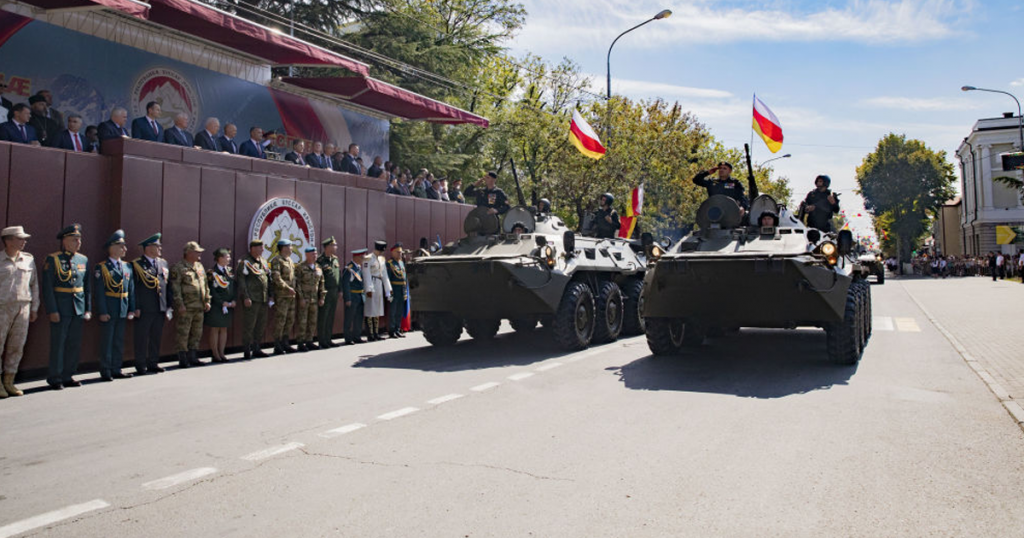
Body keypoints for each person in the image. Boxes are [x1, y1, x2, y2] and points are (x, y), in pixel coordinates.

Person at [41, 224, 91, 390]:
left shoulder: (83, 259)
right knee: (58, 344)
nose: (78, 242)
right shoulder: (53, 259)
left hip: (78, 307)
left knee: (74, 343)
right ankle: (55, 377)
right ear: (64, 241)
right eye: (73, 239)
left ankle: (68, 375)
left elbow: (87, 287)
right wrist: (52, 310)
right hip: (61, 308)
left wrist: (87, 309)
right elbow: (47, 288)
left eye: (79, 239)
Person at [0, 226, 39, 398]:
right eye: (20, 238)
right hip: (2, 307)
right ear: (8, 240)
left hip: (23, 307)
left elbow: (34, 285)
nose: (24, 241)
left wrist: (34, 307)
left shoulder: (28, 260)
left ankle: (9, 381)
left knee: (16, 346)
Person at [94, 230, 135, 381]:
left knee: (118, 340)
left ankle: (117, 368)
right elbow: (99, 292)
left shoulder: (127, 267)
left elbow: (131, 290)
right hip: (109, 309)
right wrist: (102, 311)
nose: (125, 249)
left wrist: (131, 308)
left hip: (122, 308)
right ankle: (106, 370)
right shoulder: (102, 267)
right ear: (112, 247)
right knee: (107, 341)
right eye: (121, 246)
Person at [131, 233, 170, 375]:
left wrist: (168, 306)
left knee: (156, 337)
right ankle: (140, 364)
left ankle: (153, 362)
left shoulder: (163, 263)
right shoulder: (136, 264)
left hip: (160, 307)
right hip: (145, 308)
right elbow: (133, 288)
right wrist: (136, 307)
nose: (160, 248)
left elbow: (167, 286)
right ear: (148, 247)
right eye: (157, 245)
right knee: (141, 337)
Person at [170, 241, 210, 368]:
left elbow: (205, 285)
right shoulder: (178, 267)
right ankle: (183, 359)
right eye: (197, 252)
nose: (200, 254)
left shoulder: (199, 266)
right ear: (189, 253)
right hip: (186, 307)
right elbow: (175, 288)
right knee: (183, 333)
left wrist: (207, 300)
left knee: (196, 333)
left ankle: (193, 357)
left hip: (199, 306)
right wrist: (179, 304)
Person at [236, 240, 271, 359]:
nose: (262, 250)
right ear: (253, 249)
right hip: (252, 299)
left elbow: (267, 279)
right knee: (249, 325)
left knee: (261, 325)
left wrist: (270, 295)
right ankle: (247, 350)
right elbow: (241, 281)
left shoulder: (264, 262)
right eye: (260, 248)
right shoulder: (245, 262)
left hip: (263, 298)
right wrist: (246, 296)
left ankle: (257, 348)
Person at [205, 248, 235, 363]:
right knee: (215, 329)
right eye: (227, 257)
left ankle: (222, 352)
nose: (229, 259)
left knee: (224, 329)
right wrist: (222, 302)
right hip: (217, 306)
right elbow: (211, 290)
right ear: (220, 258)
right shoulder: (212, 272)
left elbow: (233, 287)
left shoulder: (230, 271)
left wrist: (234, 300)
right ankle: (215, 354)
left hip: (228, 305)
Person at [295, 246, 325, 352]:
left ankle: (309, 340)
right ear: (307, 255)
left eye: (316, 254)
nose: (315, 256)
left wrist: (322, 297)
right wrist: (301, 298)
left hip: (314, 299)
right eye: (312, 254)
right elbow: (297, 284)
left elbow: (321, 283)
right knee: (302, 321)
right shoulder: (300, 267)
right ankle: (300, 342)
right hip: (305, 299)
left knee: (312, 321)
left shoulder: (318, 267)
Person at [270, 239, 298, 354]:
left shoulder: (290, 260)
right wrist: (287, 288)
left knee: (290, 320)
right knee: (280, 320)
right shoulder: (277, 260)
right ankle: (277, 345)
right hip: (282, 295)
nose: (291, 248)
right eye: (290, 246)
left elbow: (293, 278)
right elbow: (276, 277)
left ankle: (285, 343)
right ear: (284, 248)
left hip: (291, 296)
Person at [362, 240, 392, 341]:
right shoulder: (368, 258)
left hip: (379, 283)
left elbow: (384, 275)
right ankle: (370, 334)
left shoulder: (382, 259)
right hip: (372, 282)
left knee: (377, 309)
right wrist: (369, 288)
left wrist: (388, 289)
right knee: (370, 309)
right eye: (380, 251)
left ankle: (376, 332)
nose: (381, 253)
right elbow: (366, 274)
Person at [316, 237, 341, 349]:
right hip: (325, 291)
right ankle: (322, 340)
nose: (336, 247)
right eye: (333, 245)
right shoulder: (320, 261)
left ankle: (328, 338)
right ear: (327, 247)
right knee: (323, 317)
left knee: (331, 316)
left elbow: (338, 276)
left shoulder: (335, 259)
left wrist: (340, 290)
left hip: (334, 291)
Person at [342, 249, 366, 345]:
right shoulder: (349, 268)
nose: (363, 259)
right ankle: (348, 338)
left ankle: (357, 336)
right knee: (349, 318)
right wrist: (347, 298)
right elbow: (345, 284)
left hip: (360, 296)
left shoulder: (359, 268)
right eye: (362, 257)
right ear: (357, 257)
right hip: (352, 296)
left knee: (358, 318)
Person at [386, 243, 407, 338]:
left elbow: (404, 278)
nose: (400, 254)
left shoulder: (402, 263)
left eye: (401, 252)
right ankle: (391, 330)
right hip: (394, 289)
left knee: (399, 311)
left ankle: (397, 329)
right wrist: (389, 291)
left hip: (401, 289)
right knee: (393, 311)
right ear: (392, 252)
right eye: (398, 252)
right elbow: (388, 279)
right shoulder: (390, 263)